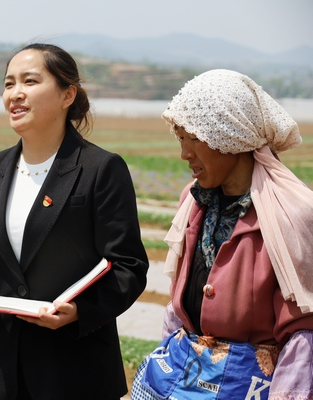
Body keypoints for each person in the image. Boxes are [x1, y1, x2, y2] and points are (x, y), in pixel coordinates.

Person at [0, 43, 149, 400]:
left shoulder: (100, 169)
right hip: (4, 370)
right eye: (8, 84)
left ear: (68, 95)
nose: (15, 94)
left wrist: (79, 311)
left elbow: (129, 266)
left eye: (30, 81)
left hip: (74, 370)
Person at [131, 69, 313, 399]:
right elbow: (177, 311)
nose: (185, 153)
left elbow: (303, 334)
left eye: (195, 139)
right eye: (181, 139)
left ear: (230, 136)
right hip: (184, 378)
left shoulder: (291, 213)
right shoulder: (193, 199)